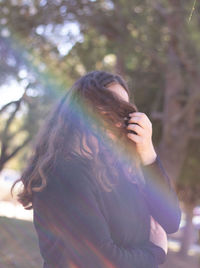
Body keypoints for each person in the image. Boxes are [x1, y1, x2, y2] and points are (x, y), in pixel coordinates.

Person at [12, 71, 181, 268]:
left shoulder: (115, 170)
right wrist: (155, 253)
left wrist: (148, 155)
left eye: (125, 111)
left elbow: (170, 220)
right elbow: (99, 261)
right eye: (110, 105)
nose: (120, 118)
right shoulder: (62, 173)